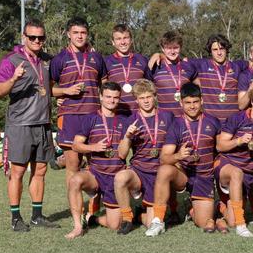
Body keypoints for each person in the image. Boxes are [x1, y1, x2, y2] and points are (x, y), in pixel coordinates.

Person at [0, 19, 59, 231]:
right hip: (20, 124)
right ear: (24, 37)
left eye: (40, 37)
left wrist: (67, 93)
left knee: (40, 171)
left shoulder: (48, 61)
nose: (36, 41)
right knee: (18, 172)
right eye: (32, 37)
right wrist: (14, 78)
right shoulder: (11, 61)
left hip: (43, 124)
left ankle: (37, 215)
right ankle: (16, 218)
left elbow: (51, 89)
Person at [145, 83, 221, 235]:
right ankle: (158, 221)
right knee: (165, 169)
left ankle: (191, 209)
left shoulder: (213, 121)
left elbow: (220, 149)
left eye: (195, 102)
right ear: (181, 103)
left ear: (202, 101)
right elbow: (164, 157)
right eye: (187, 103)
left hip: (204, 177)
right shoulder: (176, 124)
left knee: (202, 223)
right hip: (184, 175)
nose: (192, 106)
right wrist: (178, 156)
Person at [65, 82, 127, 239]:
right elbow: (76, 145)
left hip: (116, 176)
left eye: (115, 98)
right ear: (100, 97)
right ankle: (78, 227)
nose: (111, 101)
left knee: (115, 225)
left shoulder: (124, 120)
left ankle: (93, 219)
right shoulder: (90, 118)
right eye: (108, 97)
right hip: (95, 174)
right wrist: (93, 147)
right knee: (75, 180)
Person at [51, 17, 107, 187]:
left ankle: (93, 210)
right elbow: (48, 90)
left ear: (87, 34)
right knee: (73, 165)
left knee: (96, 164)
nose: (80, 36)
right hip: (70, 116)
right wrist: (65, 91)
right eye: (76, 33)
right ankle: (77, 212)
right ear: (68, 34)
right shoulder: (59, 58)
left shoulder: (96, 57)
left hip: (93, 115)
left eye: (83, 33)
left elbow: (104, 84)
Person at [214, 85, 253, 237]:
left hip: (249, 170)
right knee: (236, 173)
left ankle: (221, 207)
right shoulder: (237, 118)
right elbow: (220, 146)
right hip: (227, 165)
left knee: (230, 220)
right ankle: (241, 225)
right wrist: (239, 141)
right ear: (252, 101)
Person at [114, 79, 174, 234]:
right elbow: (121, 154)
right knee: (120, 177)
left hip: (160, 172)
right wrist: (127, 136)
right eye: (142, 98)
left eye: (148, 97)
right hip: (139, 171)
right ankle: (127, 218)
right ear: (136, 100)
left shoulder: (168, 117)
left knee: (150, 223)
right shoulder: (130, 120)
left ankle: (140, 213)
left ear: (155, 96)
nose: (146, 101)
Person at [193, 34, 244, 122]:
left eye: (222, 49)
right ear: (210, 51)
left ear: (226, 49)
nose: (219, 53)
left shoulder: (237, 66)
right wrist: (161, 56)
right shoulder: (202, 65)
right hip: (209, 123)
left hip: (233, 123)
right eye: (215, 49)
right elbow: (179, 61)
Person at [104, 24, 150, 116]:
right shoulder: (106, 61)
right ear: (113, 42)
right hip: (116, 114)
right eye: (118, 39)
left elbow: (149, 86)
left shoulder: (142, 59)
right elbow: (103, 88)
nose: (123, 42)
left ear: (131, 40)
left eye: (125, 38)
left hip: (140, 114)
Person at [149, 31, 197, 117]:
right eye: (168, 48)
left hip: (186, 119)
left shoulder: (189, 66)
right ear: (162, 48)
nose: (172, 51)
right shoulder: (155, 66)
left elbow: (198, 90)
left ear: (180, 47)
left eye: (175, 48)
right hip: (163, 119)